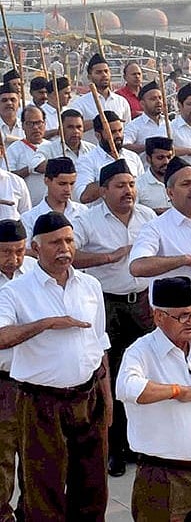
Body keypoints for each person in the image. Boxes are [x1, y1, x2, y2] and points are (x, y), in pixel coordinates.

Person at [0, 212, 110, 520]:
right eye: (54, 242)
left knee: (92, 489)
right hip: (40, 403)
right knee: (44, 490)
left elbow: (99, 343)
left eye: (69, 240)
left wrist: (108, 398)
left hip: (88, 398)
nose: (64, 248)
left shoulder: (89, 286)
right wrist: (47, 323)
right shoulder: (15, 292)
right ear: (36, 248)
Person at [72, 158, 157, 476]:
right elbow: (72, 255)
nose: (128, 191)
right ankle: (115, 448)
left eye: (132, 184)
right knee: (113, 376)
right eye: (120, 186)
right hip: (108, 305)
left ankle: (142, 443)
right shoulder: (87, 220)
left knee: (147, 371)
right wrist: (109, 257)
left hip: (144, 304)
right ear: (103, 190)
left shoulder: (147, 216)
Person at [117, 277, 191, 521]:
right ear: (159, 317)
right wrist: (176, 391)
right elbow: (127, 388)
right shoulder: (141, 352)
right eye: (183, 316)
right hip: (163, 477)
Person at [129, 156, 191, 370]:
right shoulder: (156, 227)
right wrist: (184, 260)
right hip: (176, 326)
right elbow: (137, 266)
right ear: (170, 193)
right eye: (185, 184)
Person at [0, 220, 33, 521]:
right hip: (3, 381)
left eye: (20, 251)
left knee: (36, 452)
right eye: (6, 253)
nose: (14, 259)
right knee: (2, 452)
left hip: (35, 380)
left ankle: (31, 511)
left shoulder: (36, 271)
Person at [75, 112, 145, 204]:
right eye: (112, 132)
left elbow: (143, 191)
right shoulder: (86, 161)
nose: (118, 136)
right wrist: (113, 178)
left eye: (120, 130)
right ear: (98, 135)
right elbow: (84, 196)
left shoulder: (133, 157)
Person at [68, 54, 132, 144]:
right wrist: (99, 121)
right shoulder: (80, 104)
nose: (104, 75)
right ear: (89, 76)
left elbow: (127, 129)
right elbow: (73, 128)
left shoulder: (121, 102)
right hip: (91, 154)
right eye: (99, 72)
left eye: (106, 71)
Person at [20, 157, 84, 246]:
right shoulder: (29, 218)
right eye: (62, 184)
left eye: (72, 183)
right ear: (47, 181)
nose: (68, 189)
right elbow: (25, 250)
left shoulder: (83, 212)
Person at [7, 105, 48, 203]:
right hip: (25, 206)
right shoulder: (14, 149)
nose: (35, 127)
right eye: (30, 123)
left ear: (45, 124)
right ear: (23, 126)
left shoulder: (54, 147)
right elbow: (8, 179)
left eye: (39, 123)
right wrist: (32, 169)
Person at [122, 81, 169, 154]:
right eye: (153, 99)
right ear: (142, 104)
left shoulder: (168, 123)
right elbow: (124, 146)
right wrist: (150, 147)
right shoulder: (134, 125)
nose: (158, 102)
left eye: (160, 98)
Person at [136, 137, 174, 214]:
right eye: (160, 158)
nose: (166, 162)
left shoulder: (180, 180)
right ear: (148, 159)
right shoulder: (138, 185)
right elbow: (133, 213)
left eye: (169, 157)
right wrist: (153, 212)